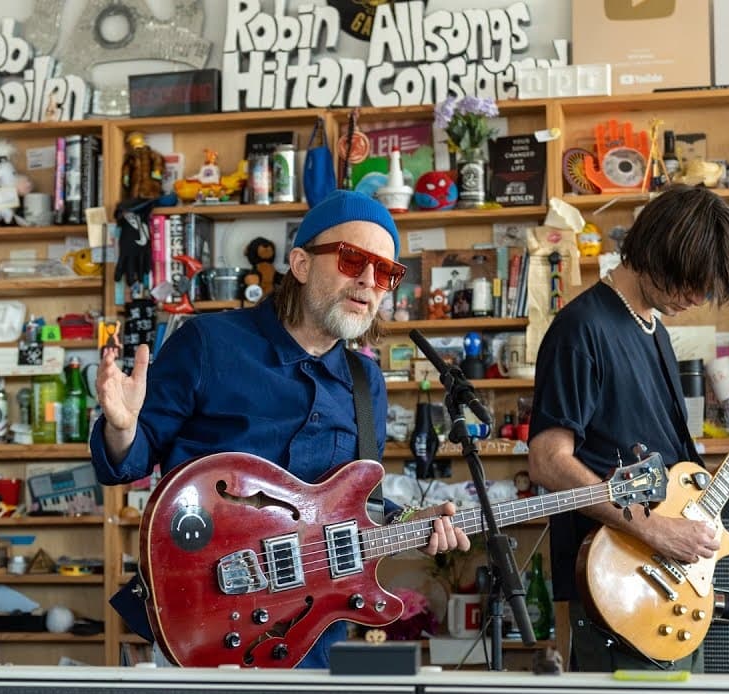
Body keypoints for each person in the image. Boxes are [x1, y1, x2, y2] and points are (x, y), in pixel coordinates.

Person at [90, 189, 471, 669]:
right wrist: (122, 427)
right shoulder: (208, 343)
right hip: (201, 621)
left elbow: (355, 499)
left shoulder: (363, 379)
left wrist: (410, 523)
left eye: (387, 273)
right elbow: (129, 461)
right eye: (354, 260)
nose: (370, 283)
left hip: (307, 633)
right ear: (300, 263)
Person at [527, 184, 729, 672]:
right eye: (689, 282)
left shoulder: (656, 331)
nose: (696, 297)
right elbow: (548, 461)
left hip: (670, 588)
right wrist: (656, 530)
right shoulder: (581, 329)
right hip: (616, 587)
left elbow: (669, 483)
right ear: (655, 250)